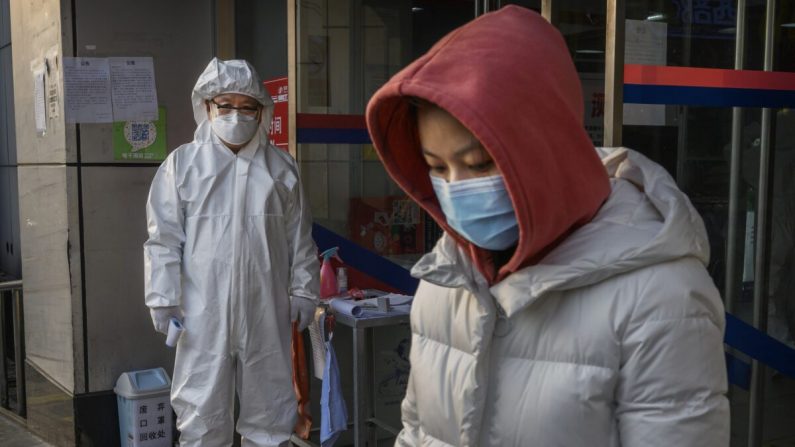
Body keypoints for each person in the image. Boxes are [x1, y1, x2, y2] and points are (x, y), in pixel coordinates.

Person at [365, 6, 729, 446]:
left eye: (479, 164)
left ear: (546, 147)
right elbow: (418, 430)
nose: (456, 189)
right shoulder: (447, 277)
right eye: (436, 168)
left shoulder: (662, 298)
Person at [144, 58, 319, 447]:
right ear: (207, 107)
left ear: (262, 112)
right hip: (203, 315)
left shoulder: (282, 169)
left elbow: (300, 240)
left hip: (266, 313)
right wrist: (162, 297)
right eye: (225, 105)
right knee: (201, 418)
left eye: (247, 106)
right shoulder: (183, 165)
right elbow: (163, 239)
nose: (235, 114)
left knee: (271, 417)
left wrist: (305, 290)